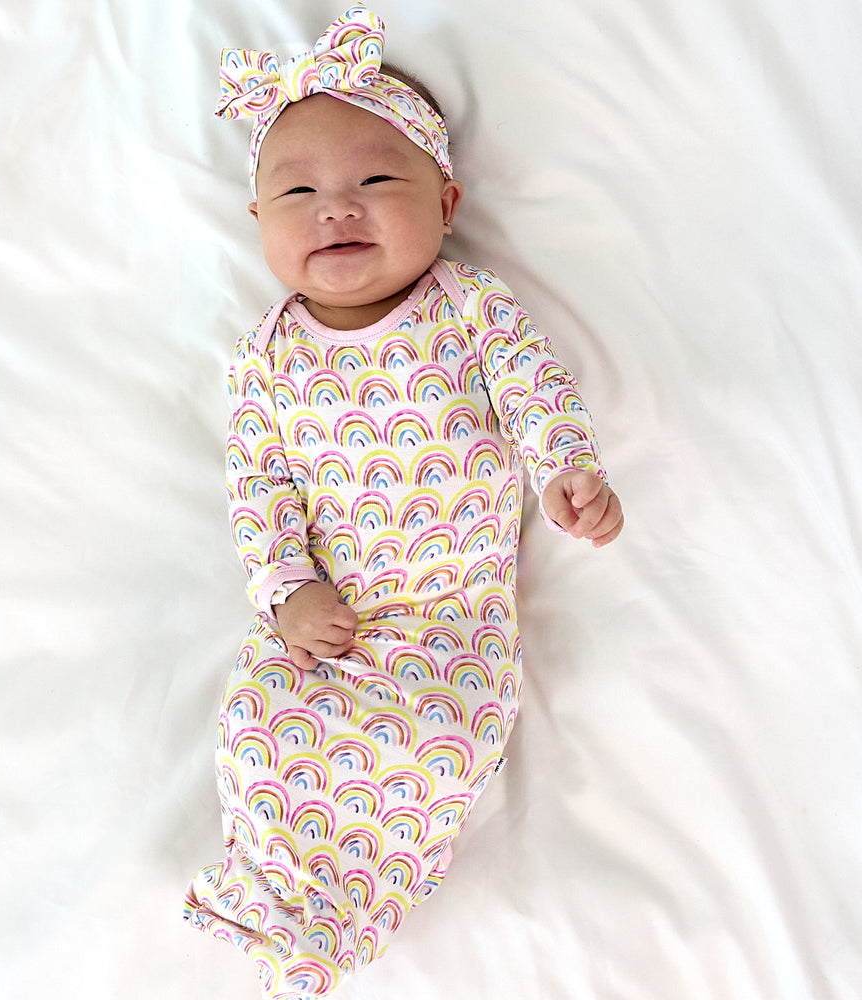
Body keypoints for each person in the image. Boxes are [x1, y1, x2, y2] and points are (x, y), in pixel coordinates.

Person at [184, 6, 624, 998]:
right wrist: (286, 589)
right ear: (258, 223)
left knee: (427, 752)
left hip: (451, 621)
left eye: (376, 181)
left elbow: (531, 387)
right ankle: (272, 891)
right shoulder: (271, 355)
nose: (335, 208)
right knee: (258, 724)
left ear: (446, 200)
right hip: (326, 619)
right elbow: (258, 483)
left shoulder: (467, 309)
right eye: (297, 191)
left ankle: (345, 919)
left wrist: (565, 466)